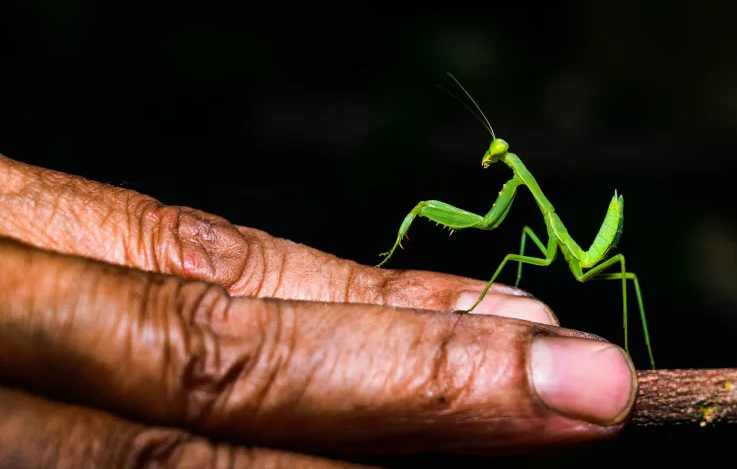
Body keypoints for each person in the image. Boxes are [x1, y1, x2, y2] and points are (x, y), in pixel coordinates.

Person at [0, 154, 637, 467]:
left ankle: (633, 359)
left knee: (602, 273)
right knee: (525, 251)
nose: (492, 162)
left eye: (499, 158)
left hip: (592, 255)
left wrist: (467, 312)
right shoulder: (516, 188)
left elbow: (505, 231)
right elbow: (499, 222)